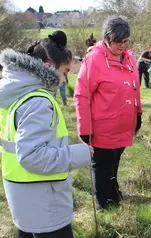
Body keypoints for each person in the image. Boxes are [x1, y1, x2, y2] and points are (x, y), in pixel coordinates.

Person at [0, 34, 93, 237]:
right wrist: (82, 153)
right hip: (44, 204)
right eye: (64, 72)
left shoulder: (15, 94)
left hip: (24, 198)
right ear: (49, 66)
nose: (64, 80)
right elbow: (33, 156)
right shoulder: (38, 101)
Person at [74, 16, 142, 210]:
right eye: (118, 41)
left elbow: (134, 88)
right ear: (106, 39)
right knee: (103, 164)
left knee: (115, 160)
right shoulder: (94, 60)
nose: (122, 45)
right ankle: (104, 204)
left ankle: (113, 191)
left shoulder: (128, 57)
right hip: (102, 127)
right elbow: (82, 95)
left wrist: (138, 113)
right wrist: (84, 129)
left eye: (126, 41)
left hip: (123, 124)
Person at [50, 30, 69, 106]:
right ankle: (63, 104)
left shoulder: (51, 51)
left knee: (55, 91)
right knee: (60, 90)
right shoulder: (65, 51)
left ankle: (56, 105)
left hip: (57, 74)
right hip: (59, 74)